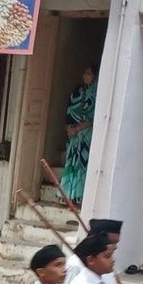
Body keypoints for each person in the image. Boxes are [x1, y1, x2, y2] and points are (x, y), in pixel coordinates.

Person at [59, 67, 97, 204]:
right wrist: (70, 128)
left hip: (87, 133)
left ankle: (80, 196)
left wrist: (79, 128)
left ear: (95, 75)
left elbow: (94, 117)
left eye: (89, 73)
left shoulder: (97, 92)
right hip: (73, 133)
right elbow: (70, 109)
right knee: (71, 161)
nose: (86, 76)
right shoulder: (78, 91)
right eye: (85, 73)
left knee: (82, 162)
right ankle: (69, 194)